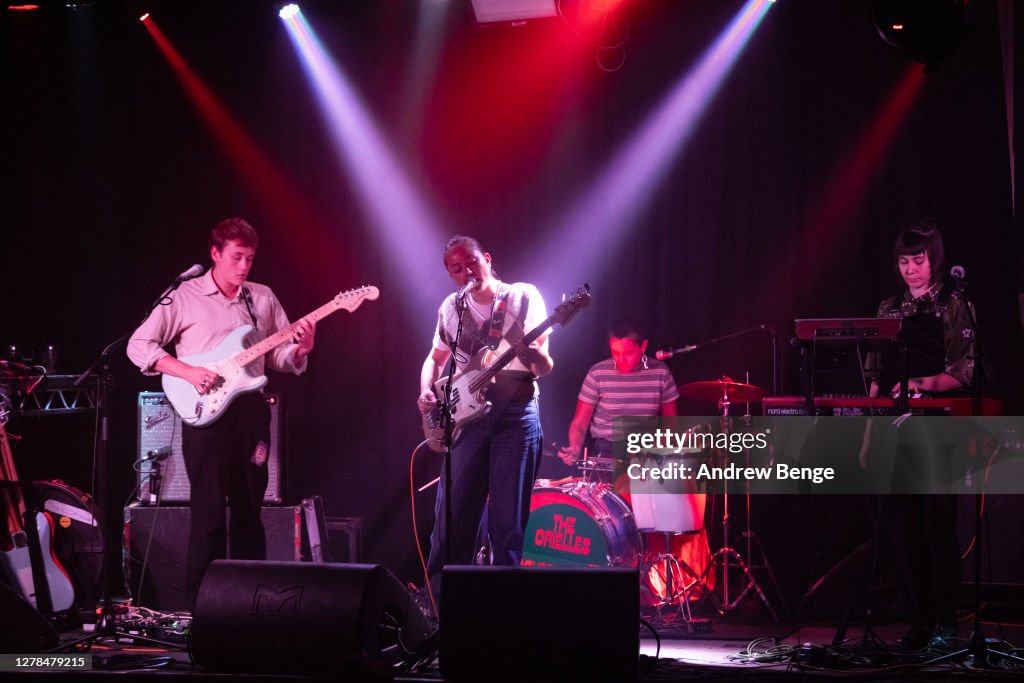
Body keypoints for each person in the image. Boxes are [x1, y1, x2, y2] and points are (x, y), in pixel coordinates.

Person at [127, 218, 315, 606]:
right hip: (204, 416)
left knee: (250, 512)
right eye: (236, 257)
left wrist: (299, 350)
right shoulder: (184, 295)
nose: (244, 266)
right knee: (208, 516)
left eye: (249, 258)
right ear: (215, 254)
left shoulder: (261, 297)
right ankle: (203, 609)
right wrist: (188, 372)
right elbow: (138, 344)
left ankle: (252, 605)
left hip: (250, 414)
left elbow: (277, 355)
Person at [417, 235, 552, 611]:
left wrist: (532, 356)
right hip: (466, 419)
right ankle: (440, 614)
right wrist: (426, 388)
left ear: (487, 259)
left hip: (516, 414)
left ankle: (502, 617)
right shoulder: (452, 308)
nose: (467, 272)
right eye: (456, 269)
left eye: (471, 262)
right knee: (451, 522)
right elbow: (435, 357)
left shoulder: (524, 297)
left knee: (507, 528)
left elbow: (545, 365)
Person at [862, 219, 974, 650]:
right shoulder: (888, 307)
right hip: (893, 428)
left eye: (918, 259)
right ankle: (919, 621)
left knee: (936, 528)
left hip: (937, 428)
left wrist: (920, 384)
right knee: (902, 530)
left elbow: (963, 370)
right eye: (904, 261)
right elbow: (874, 375)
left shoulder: (952, 302)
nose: (911, 268)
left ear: (934, 259)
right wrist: (868, 436)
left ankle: (947, 620)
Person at [558, 316, 713, 604]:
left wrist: (666, 454)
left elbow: (671, 426)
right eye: (614, 352)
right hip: (606, 452)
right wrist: (575, 448)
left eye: (627, 352)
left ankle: (657, 591)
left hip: (646, 454)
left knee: (657, 524)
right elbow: (580, 423)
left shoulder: (660, 373)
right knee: (611, 526)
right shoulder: (598, 373)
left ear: (643, 347)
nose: (620, 358)